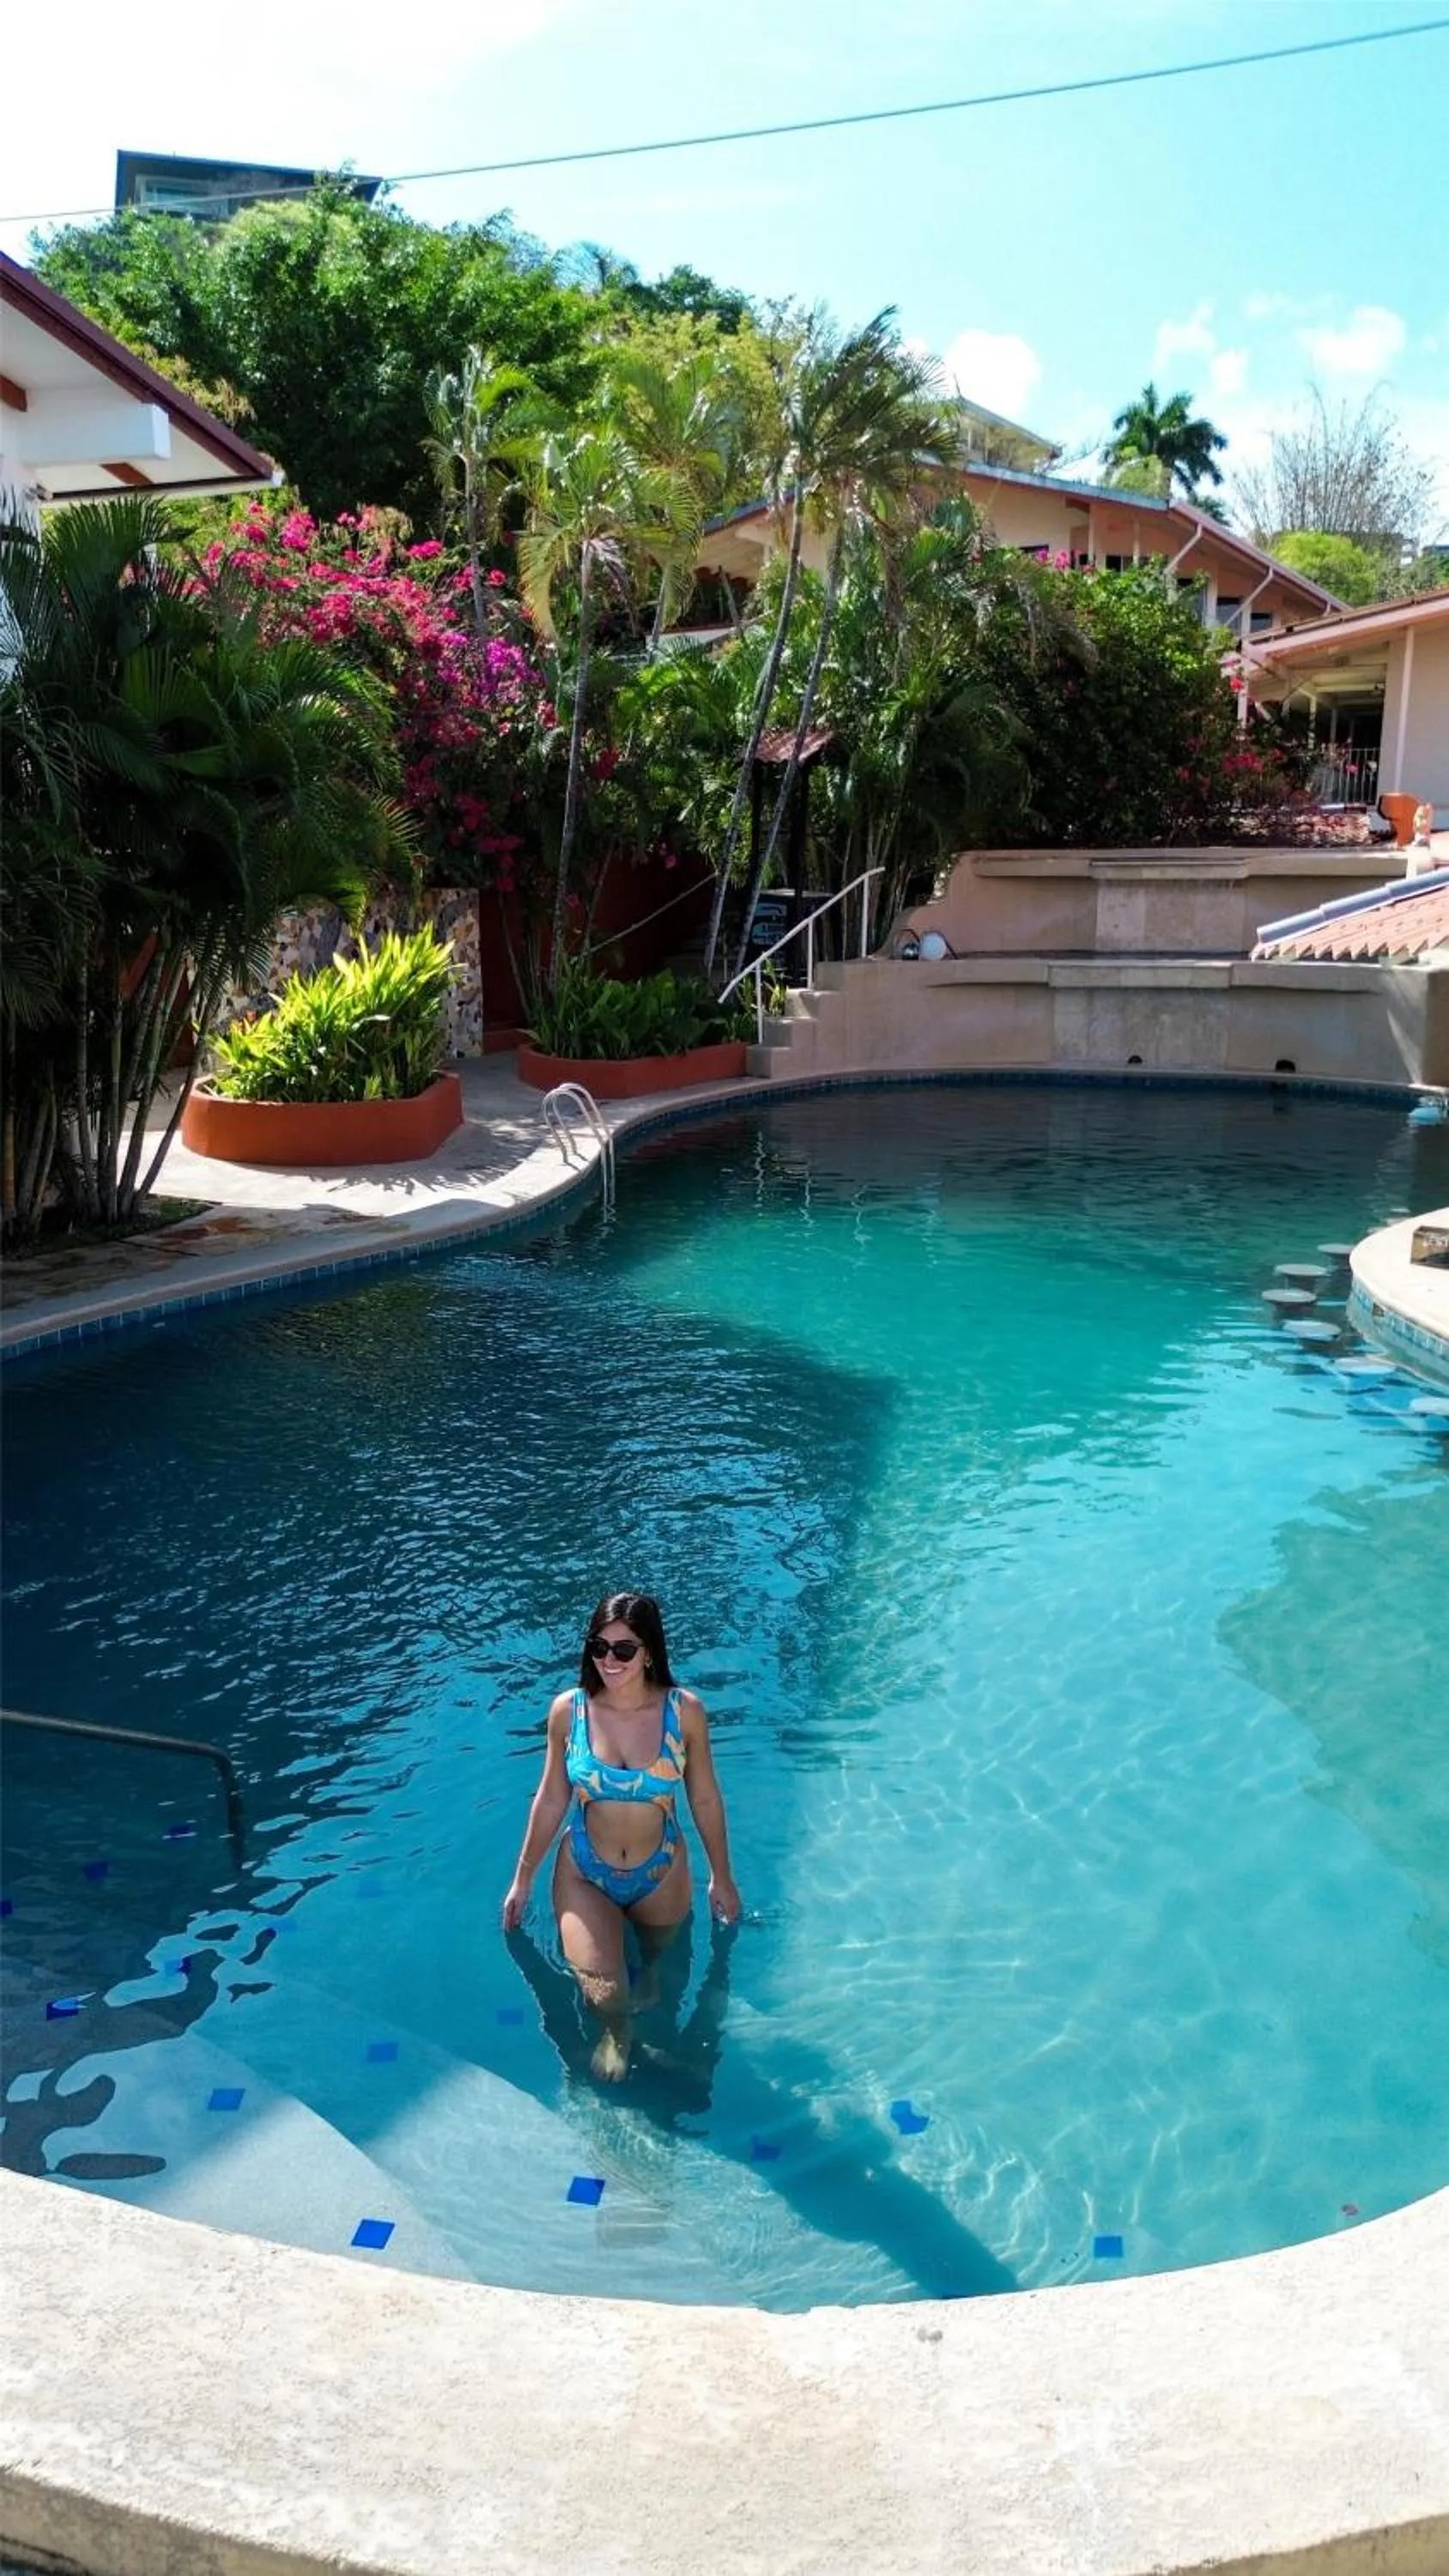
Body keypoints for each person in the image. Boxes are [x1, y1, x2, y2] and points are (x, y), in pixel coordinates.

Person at [500, 1591, 742, 2081]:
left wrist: (723, 1877)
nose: (609, 1660)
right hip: (586, 1868)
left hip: (661, 1867)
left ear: (649, 1651)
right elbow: (550, 1799)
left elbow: (706, 1799)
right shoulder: (570, 1712)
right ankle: (616, 2033)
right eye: (599, 1647)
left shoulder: (684, 1712)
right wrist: (522, 1878)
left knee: (658, 1980)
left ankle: (645, 1979)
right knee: (603, 1990)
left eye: (624, 1650)